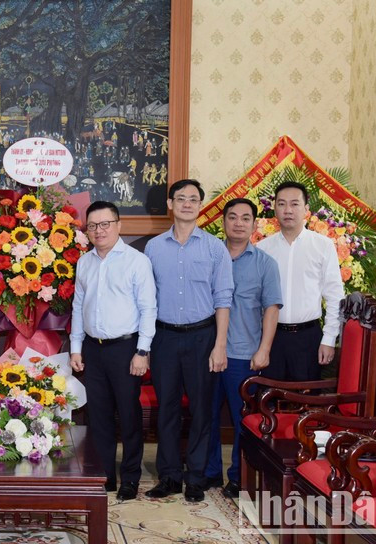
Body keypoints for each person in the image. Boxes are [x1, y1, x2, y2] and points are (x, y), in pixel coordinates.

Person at [143, 179, 233, 503]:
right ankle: (169, 477)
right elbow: (146, 300)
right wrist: (146, 345)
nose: (187, 204)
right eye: (181, 198)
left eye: (193, 199)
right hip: (164, 337)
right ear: (170, 204)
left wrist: (219, 345)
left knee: (201, 410)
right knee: (166, 409)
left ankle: (195, 478)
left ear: (200, 206)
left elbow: (224, 299)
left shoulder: (214, 248)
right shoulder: (153, 248)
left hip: (202, 337)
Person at [69, 201, 157, 501]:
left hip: (126, 348)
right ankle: (104, 475)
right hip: (93, 349)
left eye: (105, 224)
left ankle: (130, 477)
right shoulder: (85, 262)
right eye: (93, 226)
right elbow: (78, 307)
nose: (99, 231)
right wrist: (76, 348)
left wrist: (142, 351)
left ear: (119, 225)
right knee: (98, 416)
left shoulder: (136, 261)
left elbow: (148, 309)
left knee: (129, 415)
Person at [204, 198, 282, 499]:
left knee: (242, 420)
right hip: (206, 352)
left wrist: (264, 349)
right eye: (233, 217)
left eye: (245, 218)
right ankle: (209, 472)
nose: (238, 223)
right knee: (206, 416)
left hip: (244, 355)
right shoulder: (209, 256)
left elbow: (271, 309)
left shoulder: (265, 264)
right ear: (223, 221)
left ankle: (238, 476)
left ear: (254, 224)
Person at [256, 181, 344, 381]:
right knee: (269, 394)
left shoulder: (323, 245)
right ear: (275, 209)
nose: (288, 210)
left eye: (294, 204)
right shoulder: (263, 249)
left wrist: (329, 339)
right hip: (271, 337)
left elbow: (334, 296)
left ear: (306, 209)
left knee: (307, 397)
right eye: (281, 204)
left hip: (308, 337)